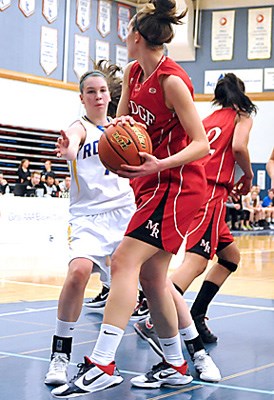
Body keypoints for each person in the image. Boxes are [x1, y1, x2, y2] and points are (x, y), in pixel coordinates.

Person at [51, 1, 210, 397]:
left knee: (123, 260)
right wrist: (99, 137)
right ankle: (176, 363)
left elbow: (202, 144)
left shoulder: (172, 81)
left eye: (127, 33)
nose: (125, 39)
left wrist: (157, 164)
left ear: (137, 37)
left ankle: (103, 362)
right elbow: (120, 123)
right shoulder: (135, 72)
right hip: (149, 183)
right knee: (153, 278)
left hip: (177, 184)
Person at [134, 72, 257, 348]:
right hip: (212, 191)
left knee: (230, 258)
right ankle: (153, 317)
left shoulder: (208, 119)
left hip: (195, 185)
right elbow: (238, 146)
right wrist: (248, 176)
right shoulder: (242, 117)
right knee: (197, 261)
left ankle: (197, 313)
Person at [45, 62, 135, 387]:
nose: (97, 96)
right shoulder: (79, 127)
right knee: (78, 272)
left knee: (147, 287)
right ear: (81, 99)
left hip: (125, 213)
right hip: (88, 218)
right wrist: (67, 147)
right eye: (90, 92)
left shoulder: (122, 129)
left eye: (101, 91)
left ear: (109, 96)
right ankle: (60, 354)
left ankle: (176, 351)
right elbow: (71, 141)